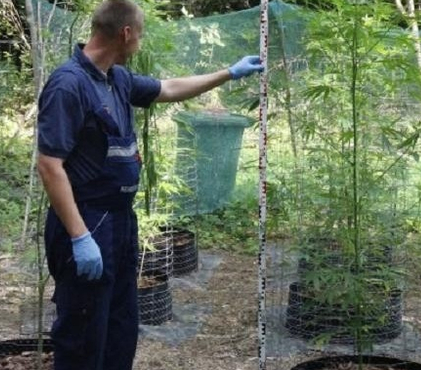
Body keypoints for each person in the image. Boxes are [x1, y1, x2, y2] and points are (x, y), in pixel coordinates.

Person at [35, 1, 263, 369]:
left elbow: (169, 88)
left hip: (120, 223)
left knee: (119, 329)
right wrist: (79, 237)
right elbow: (49, 166)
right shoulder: (68, 85)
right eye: (139, 36)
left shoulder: (117, 79)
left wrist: (228, 73)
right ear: (126, 33)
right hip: (87, 223)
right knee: (82, 336)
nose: (139, 44)